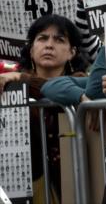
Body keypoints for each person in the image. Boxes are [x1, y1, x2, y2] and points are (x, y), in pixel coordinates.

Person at [0, 15, 88, 203]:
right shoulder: (8, 84)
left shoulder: (83, 86)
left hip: (75, 184)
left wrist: (24, 79)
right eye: (42, 38)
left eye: (59, 39)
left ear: (72, 52)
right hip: (26, 185)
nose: (49, 45)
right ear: (31, 50)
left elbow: (57, 88)